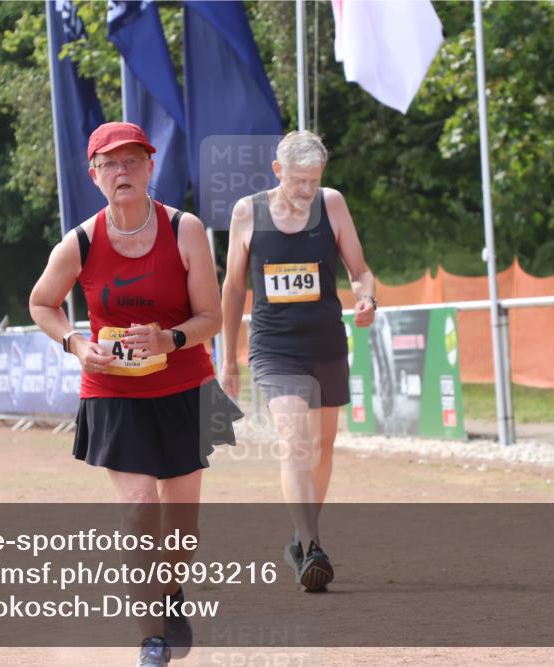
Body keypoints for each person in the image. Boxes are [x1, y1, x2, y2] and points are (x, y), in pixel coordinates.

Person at [29, 121, 241, 666]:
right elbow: (41, 304)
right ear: (94, 175)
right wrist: (76, 343)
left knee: (183, 528)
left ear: (150, 168)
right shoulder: (80, 241)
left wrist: (168, 339)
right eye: (110, 164)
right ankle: (150, 638)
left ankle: (169, 593)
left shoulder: (184, 229)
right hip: (112, 393)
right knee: (139, 509)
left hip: (183, 386)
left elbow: (211, 317)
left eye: (132, 161)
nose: (122, 172)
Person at [220, 130, 376, 592]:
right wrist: (228, 358)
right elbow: (233, 289)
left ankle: (300, 538)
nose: (307, 190)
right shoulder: (248, 212)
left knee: (323, 448)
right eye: (298, 180)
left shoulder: (332, 205)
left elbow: (360, 270)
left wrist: (367, 298)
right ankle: (311, 549)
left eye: (314, 180)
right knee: (295, 442)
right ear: (277, 171)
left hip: (326, 342)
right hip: (273, 346)